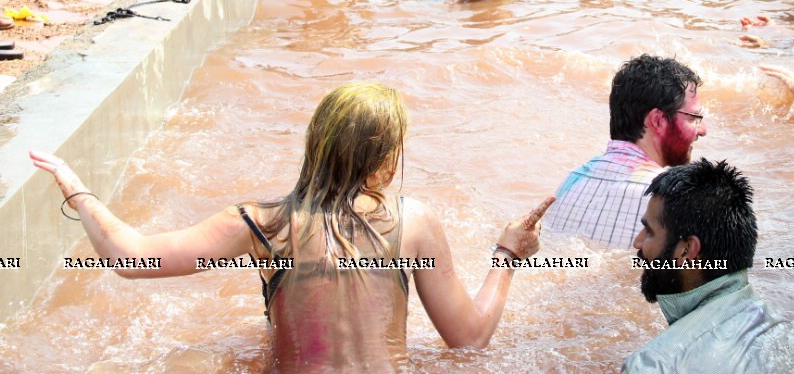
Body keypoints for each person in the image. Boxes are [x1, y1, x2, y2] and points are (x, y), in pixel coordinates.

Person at [31, 82, 555, 369]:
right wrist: (506, 257)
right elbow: (469, 339)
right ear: (388, 158)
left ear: (316, 144)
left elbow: (131, 258)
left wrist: (77, 191)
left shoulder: (262, 223)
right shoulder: (413, 223)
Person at [624, 159, 786, 374]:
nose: (638, 242)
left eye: (650, 231)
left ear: (686, 250)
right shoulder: (783, 332)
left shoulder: (655, 364)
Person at [545, 55, 707, 249]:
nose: (703, 130)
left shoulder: (572, 179)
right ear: (657, 120)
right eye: (694, 118)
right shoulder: (672, 198)